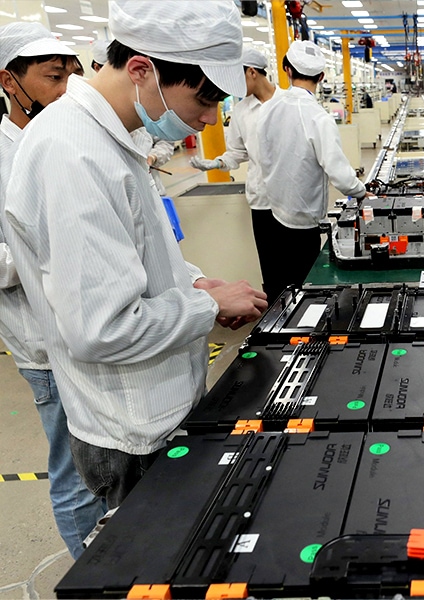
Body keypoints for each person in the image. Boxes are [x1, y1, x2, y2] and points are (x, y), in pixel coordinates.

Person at [4, 0, 268, 509]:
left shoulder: (113, 137)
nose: (211, 118)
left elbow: (142, 251)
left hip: (156, 405)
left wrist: (195, 284)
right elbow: (101, 328)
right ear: (142, 70)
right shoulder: (72, 152)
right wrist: (208, 308)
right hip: (131, 429)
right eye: (205, 99)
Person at [0, 21, 106, 559]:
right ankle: (91, 576)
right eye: (50, 76)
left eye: (70, 73)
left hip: (92, 330)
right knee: (74, 471)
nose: (65, 87)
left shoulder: (69, 134)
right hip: (42, 343)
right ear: (9, 81)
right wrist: (53, 244)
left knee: (106, 463)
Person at [257, 40, 371, 294]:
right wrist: (362, 192)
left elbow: (262, 155)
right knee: (304, 285)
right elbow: (338, 171)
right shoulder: (318, 117)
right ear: (321, 76)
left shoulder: (267, 110)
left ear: (286, 69)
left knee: (280, 283)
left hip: (272, 211)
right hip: (303, 222)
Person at [190, 48, 284, 296]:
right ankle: (277, 312)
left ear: (252, 72)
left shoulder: (289, 103)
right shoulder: (242, 111)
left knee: (298, 261)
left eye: (237, 76)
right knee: (270, 264)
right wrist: (217, 163)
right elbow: (238, 152)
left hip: (292, 197)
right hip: (261, 200)